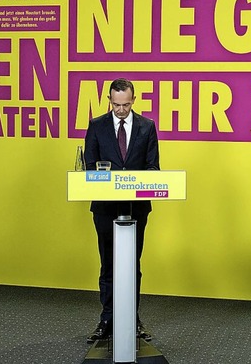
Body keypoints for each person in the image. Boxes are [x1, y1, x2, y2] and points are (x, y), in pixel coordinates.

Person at [83, 78, 160, 344]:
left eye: (126, 105)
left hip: (136, 209)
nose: (121, 110)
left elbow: (153, 168)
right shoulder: (96, 126)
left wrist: (137, 182)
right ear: (109, 100)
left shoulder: (147, 127)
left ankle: (132, 318)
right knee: (108, 265)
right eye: (116, 105)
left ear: (133, 100)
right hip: (105, 208)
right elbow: (90, 166)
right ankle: (107, 319)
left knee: (131, 265)